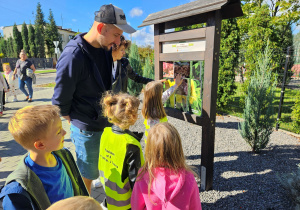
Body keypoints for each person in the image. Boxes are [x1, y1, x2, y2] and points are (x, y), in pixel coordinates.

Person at [52, 4, 136, 193]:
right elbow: (59, 102)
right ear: (100, 28)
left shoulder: (105, 48)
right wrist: (80, 125)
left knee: (104, 168)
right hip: (87, 130)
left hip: (106, 124)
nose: (118, 41)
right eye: (116, 35)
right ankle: (85, 203)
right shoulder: (73, 56)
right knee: (87, 175)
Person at [0, 105, 89, 210]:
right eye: (58, 131)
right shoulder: (18, 191)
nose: (65, 132)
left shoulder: (63, 155)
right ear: (41, 145)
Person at [131, 122, 202, 210]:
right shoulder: (189, 178)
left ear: (150, 149)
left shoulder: (143, 176)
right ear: (177, 148)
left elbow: (136, 206)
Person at [99, 92, 144, 209]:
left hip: (109, 195)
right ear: (133, 116)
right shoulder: (131, 144)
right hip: (125, 203)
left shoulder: (105, 133)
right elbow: (136, 181)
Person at [141, 74, 183, 140]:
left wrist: (156, 83)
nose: (162, 92)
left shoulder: (149, 105)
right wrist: (176, 84)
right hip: (158, 141)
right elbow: (166, 94)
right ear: (157, 97)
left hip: (151, 141)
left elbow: (166, 94)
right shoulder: (154, 114)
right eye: (161, 91)